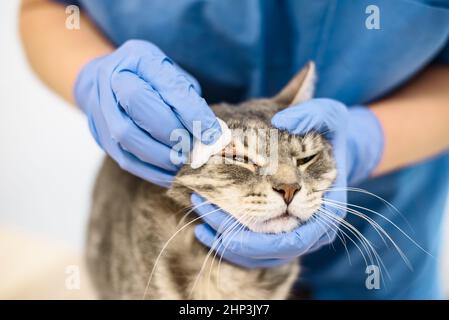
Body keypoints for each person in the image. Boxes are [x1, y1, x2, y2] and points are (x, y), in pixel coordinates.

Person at [20, 0, 449, 299]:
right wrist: (91, 76)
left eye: (302, 159)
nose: (287, 185)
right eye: (244, 160)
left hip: (382, 242)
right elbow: (44, 7)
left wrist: (365, 140)